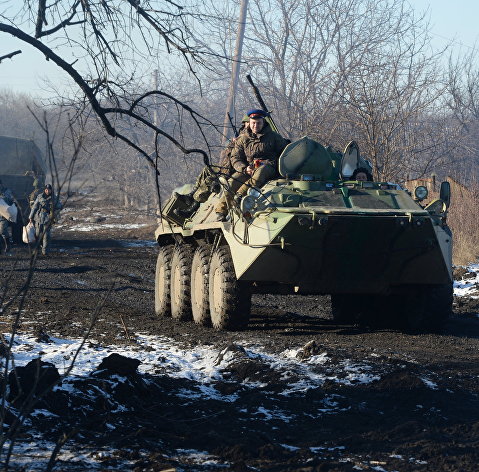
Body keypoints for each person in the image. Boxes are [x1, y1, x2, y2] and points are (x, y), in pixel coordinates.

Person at [215, 109, 289, 221]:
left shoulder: (274, 137)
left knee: (260, 173)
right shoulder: (243, 139)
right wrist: (244, 169)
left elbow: (285, 154)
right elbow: (235, 157)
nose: (256, 126)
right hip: (250, 168)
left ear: (263, 122)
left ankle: (239, 197)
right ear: (249, 122)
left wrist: (270, 163)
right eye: (253, 123)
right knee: (232, 181)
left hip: (269, 167)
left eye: (258, 123)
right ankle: (221, 211)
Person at [173, 116, 251, 219]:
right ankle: (191, 195)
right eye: (247, 122)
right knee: (207, 170)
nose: (248, 124)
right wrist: (232, 143)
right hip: (226, 167)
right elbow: (227, 154)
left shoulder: (249, 137)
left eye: (249, 122)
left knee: (210, 180)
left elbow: (241, 156)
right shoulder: (242, 134)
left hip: (234, 170)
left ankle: (192, 208)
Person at [29, 184, 62, 255]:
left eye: (49, 190)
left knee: (46, 236)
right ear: (44, 190)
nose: (47, 191)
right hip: (39, 218)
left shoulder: (54, 198)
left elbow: (60, 205)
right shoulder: (40, 196)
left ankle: (45, 252)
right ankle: (37, 249)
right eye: (46, 190)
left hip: (48, 218)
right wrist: (31, 217)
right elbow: (35, 207)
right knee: (37, 235)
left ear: (51, 190)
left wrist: (53, 208)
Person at [0, 179, 15, 254]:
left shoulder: (7, 192)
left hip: (3, 215)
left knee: (2, 230)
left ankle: (8, 244)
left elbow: (12, 200)